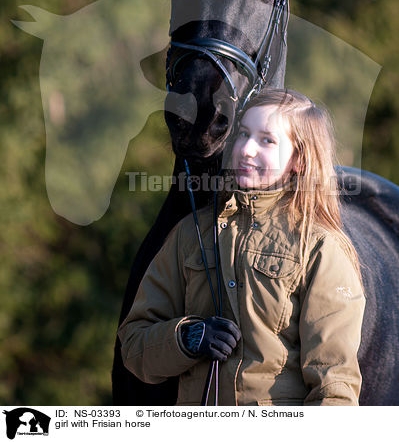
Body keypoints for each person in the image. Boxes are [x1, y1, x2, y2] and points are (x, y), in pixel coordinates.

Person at [118, 88, 365, 406]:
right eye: (243, 135)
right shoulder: (190, 234)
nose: (247, 149)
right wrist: (186, 338)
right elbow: (134, 345)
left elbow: (335, 389)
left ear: (299, 160)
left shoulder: (321, 248)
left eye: (267, 140)